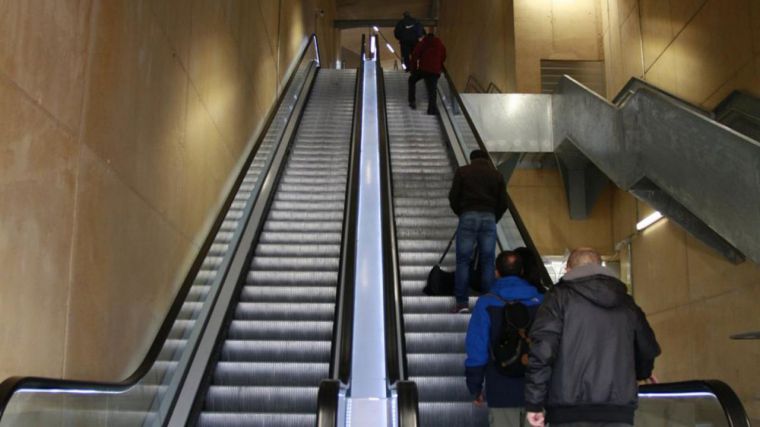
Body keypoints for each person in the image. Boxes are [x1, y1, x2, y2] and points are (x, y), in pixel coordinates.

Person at [524, 247, 661, 427]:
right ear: (601, 267)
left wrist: (534, 403)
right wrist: (643, 372)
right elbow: (646, 347)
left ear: (567, 269)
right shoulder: (627, 303)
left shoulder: (558, 298)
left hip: (568, 412)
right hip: (618, 412)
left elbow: (543, 351)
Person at [465, 251, 544, 427]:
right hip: (538, 390)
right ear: (521, 271)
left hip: (500, 389)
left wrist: (475, 387)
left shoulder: (486, 303)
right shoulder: (542, 302)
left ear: (497, 272)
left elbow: (477, 349)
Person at [448, 149, 508, 313]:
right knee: (488, 261)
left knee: (463, 261)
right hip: (489, 217)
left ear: (471, 159)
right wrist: (493, 217)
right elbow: (504, 202)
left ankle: (462, 303)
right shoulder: (496, 175)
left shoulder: (463, 172)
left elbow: (453, 197)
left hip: (467, 216)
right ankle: (488, 303)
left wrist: (462, 213)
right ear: (487, 160)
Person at [408, 32, 446, 115]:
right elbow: (443, 56)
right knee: (433, 90)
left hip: (424, 69)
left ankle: (412, 101)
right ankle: (431, 110)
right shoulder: (440, 44)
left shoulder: (423, 43)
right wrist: (439, 66)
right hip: (434, 71)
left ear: (425, 37)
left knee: (411, 80)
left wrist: (413, 70)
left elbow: (415, 56)